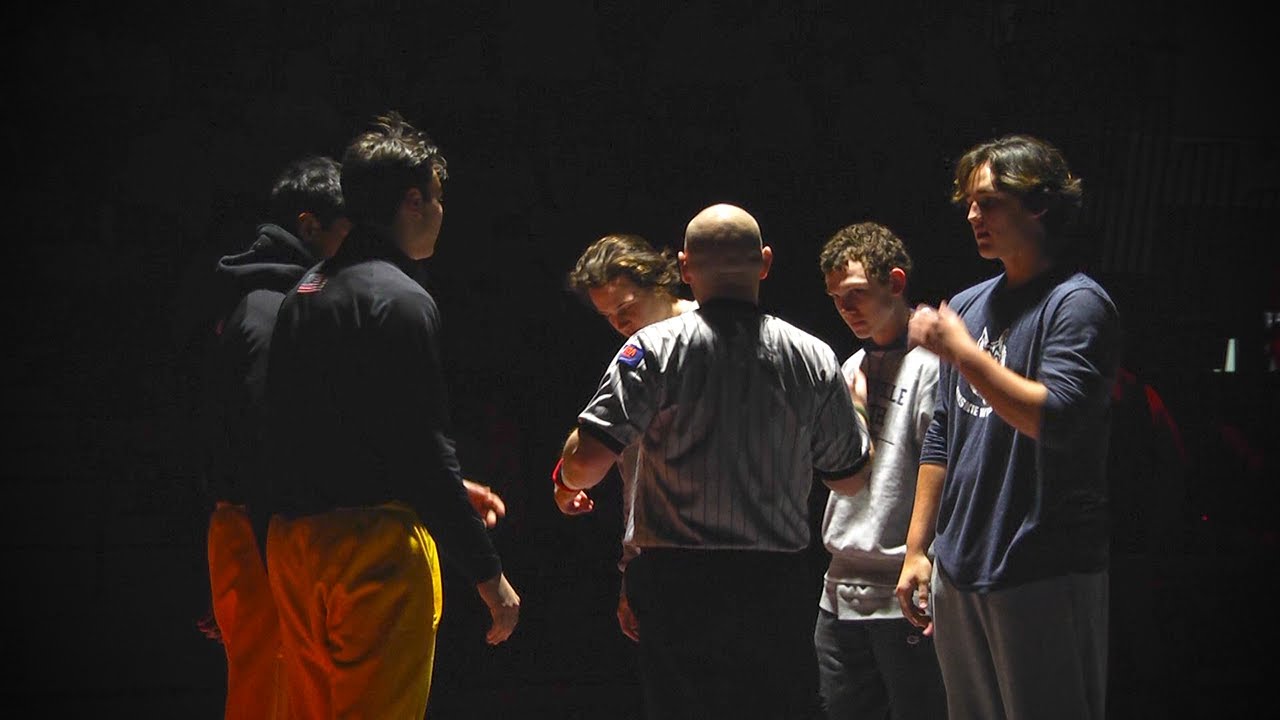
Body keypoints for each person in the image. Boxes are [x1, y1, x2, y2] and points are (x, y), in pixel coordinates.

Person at [556, 203, 872, 720]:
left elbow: (584, 466)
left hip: (677, 583)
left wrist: (568, 471)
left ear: (684, 269)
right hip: (777, 584)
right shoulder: (813, 355)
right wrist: (855, 407)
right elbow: (853, 480)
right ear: (764, 263)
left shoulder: (651, 351)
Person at [260, 112, 520, 719]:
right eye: (436, 196)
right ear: (412, 199)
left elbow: (323, 428)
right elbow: (420, 449)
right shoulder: (399, 299)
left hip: (293, 546)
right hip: (371, 548)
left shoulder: (305, 292)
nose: (440, 211)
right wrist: (488, 574)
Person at [894, 135, 1121, 719]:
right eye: (969, 203)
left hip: (1041, 561)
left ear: (1039, 204)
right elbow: (944, 432)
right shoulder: (969, 304)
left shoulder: (1076, 304)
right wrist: (918, 549)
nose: (973, 215)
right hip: (961, 561)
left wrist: (963, 353)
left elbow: (1056, 417)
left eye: (989, 201)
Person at [201, 155, 350, 720]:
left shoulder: (261, 302)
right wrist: (275, 558)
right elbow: (258, 442)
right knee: (274, 699)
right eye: (346, 228)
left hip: (257, 530)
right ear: (309, 226)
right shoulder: (271, 310)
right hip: (266, 530)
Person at [814, 221, 946, 719]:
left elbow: (947, 465)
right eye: (835, 299)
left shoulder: (936, 365)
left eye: (855, 294)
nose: (845, 310)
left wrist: (922, 555)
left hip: (904, 588)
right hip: (839, 587)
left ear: (895, 281)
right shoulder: (848, 368)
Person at [556, 233, 698, 642]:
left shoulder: (682, 342)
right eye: (607, 316)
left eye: (625, 308)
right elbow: (636, 476)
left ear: (658, 281)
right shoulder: (640, 353)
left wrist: (566, 481)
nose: (619, 325)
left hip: (697, 563)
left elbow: (583, 460)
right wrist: (630, 572)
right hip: (659, 561)